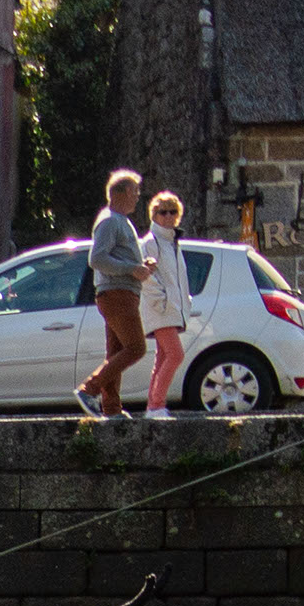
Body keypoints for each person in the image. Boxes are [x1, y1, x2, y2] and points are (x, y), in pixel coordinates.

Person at [78, 168, 150, 420]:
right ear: (124, 192)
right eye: (135, 192)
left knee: (115, 353)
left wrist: (141, 267)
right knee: (136, 348)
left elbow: (114, 257)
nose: (138, 197)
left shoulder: (120, 220)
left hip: (122, 292)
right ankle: (89, 389)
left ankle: (111, 409)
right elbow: (96, 258)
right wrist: (132, 269)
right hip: (116, 294)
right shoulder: (109, 220)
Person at [136, 189, 190, 415]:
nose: (168, 217)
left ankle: (153, 406)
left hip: (172, 308)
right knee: (176, 355)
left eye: (173, 212)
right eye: (163, 212)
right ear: (154, 214)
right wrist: (162, 302)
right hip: (161, 309)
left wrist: (185, 302)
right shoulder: (151, 242)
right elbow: (146, 277)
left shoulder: (172, 243)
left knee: (163, 357)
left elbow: (178, 279)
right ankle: (157, 405)